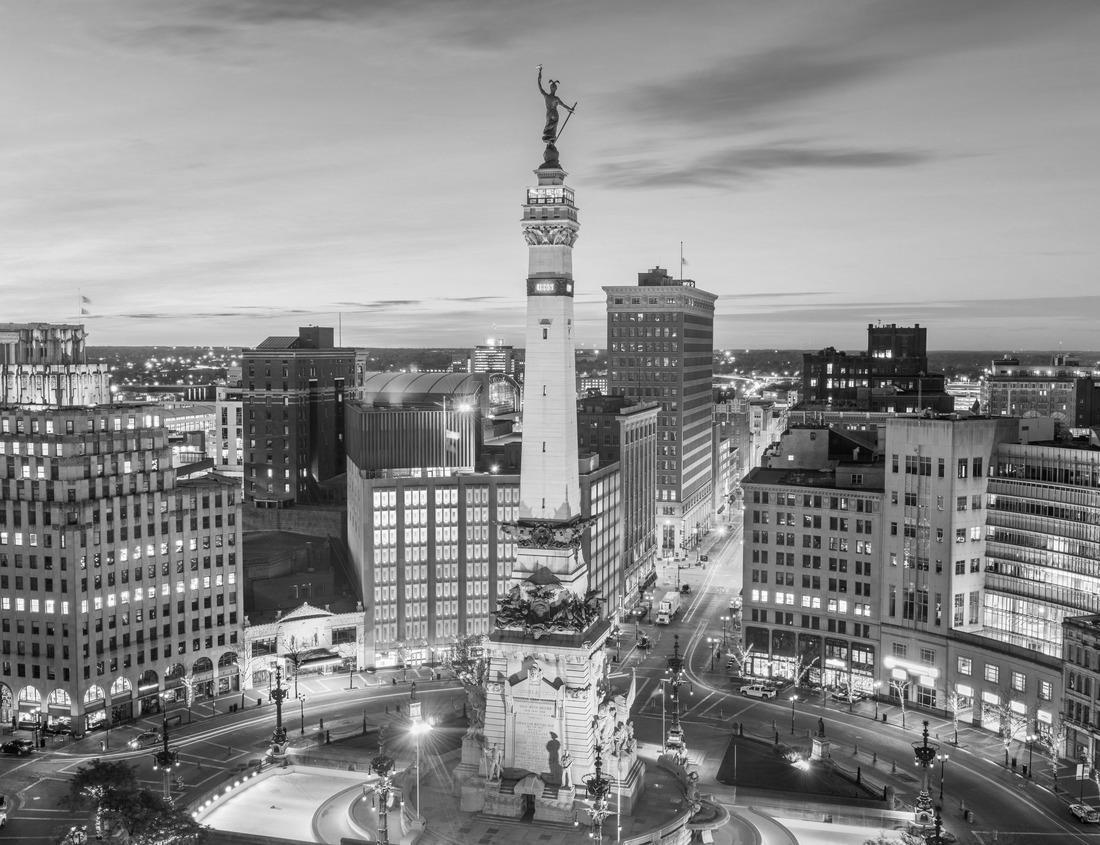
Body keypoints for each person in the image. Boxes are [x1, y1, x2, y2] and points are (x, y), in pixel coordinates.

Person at [537, 65, 574, 144]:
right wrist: (570, 109)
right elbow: (564, 105)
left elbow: (540, 86)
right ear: (556, 89)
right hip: (555, 114)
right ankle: (551, 140)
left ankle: (549, 140)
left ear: (550, 88)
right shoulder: (556, 98)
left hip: (549, 114)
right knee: (553, 130)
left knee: (547, 130)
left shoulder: (546, 96)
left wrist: (540, 73)